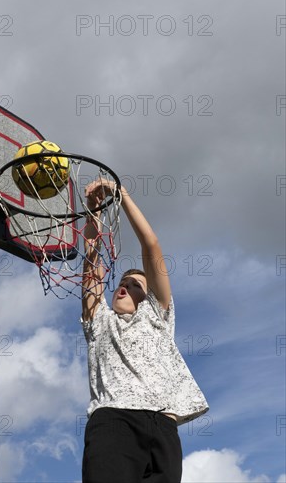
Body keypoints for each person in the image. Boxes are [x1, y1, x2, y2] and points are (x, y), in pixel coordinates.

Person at [81, 179, 209, 483]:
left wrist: (120, 194)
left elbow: (151, 245)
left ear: (149, 295)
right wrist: (94, 213)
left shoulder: (158, 315)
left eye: (136, 284)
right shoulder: (100, 321)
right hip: (114, 422)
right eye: (122, 283)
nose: (125, 286)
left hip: (164, 427)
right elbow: (91, 264)